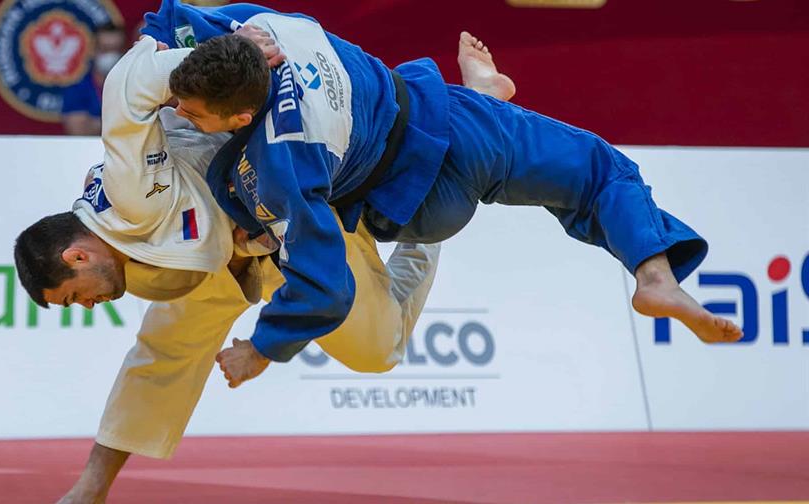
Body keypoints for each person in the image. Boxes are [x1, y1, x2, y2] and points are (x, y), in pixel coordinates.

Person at [14, 25, 515, 502]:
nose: (87, 305)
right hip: (223, 263)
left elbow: (129, 82)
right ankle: (91, 489)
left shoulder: (125, 186)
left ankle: (478, 107)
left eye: (74, 296)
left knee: (378, 349)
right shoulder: (120, 264)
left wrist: (225, 51)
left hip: (287, 210)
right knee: (158, 354)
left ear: (77, 255)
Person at [136, 1, 743, 386]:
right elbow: (169, 21)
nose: (180, 113)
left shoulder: (283, 161)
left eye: (194, 112)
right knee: (599, 167)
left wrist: (262, 349)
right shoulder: (262, 26)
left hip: (417, 210)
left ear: (243, 116)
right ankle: (655, 274)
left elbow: (326, 285)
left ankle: (487, 96)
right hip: (452, 124)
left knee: (289, 218)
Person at [60, 23, 127, 136]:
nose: (111, 55)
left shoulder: (134, 87)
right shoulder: (77, 90)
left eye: (116, 49)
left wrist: (96, 123)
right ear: (93, 51)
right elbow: (79, 132)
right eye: (105, 49)